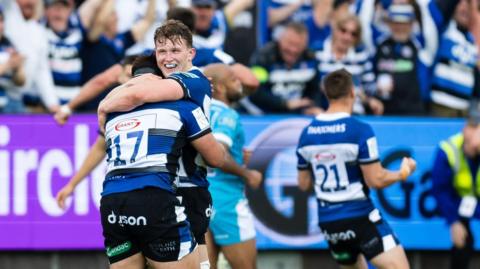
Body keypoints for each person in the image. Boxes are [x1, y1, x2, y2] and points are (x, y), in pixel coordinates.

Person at [98, 20, 226, 269]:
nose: (167, 57)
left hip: (181, 189)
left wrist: (104, 105)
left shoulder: (193, 81)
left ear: (191, 54)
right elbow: (138, 92)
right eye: (162, 51)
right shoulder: (174, 100)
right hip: (167, 190)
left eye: (175, 51)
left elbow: (136, 92)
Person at [296, 68, 416, 269]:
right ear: (353, 92)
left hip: (329, 223)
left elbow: (303, 184)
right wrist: (402, 173)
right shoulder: (359, 130)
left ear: (326, 93)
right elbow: (376, 180)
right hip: (359, 216)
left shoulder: (306, 134)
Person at [203, 63, 262, 269]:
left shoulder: (198, 112)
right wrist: (246, 173)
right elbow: (218, 154)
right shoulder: (227, 114)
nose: (240, 84)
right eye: (234, 80)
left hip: (199, 197)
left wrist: (237, 155)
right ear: (219, 88)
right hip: (226, 199)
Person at [431, 101, 480, 269]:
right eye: (471, 126)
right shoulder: (448, 149)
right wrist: (454, 222)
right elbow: (440, 190)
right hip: (461, 203)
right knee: (463, 241)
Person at [241, 21, 327, 115]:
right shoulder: (264, 57)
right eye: (290, 43)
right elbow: (255, 91)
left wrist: (313, 106)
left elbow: (314, 90)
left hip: (298, 115)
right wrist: (285, 104)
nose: (293, 50)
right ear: (280, 40)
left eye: (298, 45)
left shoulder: (310, 59)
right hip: (263, 115)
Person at [1, 0, 59, 113]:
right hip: (5, 95)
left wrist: (53, 104)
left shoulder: (39, 31)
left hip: (18, 100)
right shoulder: (9, 14)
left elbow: (42, 71)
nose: (30, 2)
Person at [0, 6, 26, 113]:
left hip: (10, 100)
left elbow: (21, 81)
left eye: (1, 21)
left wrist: (18, 67)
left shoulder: (9, 44)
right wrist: (8, 65)